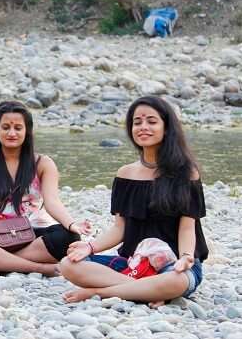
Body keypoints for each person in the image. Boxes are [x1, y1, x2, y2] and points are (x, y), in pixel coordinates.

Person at [60, 96, 208, 307]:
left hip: (174, 264)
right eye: (137, 122)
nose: (143, 127)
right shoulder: (125, 174)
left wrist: (185, 257)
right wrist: (90, 247)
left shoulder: (187, 173)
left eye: (151, 121)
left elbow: (187, 229)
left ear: (166, 128)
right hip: (133, 263)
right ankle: (147, 291)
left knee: (175, 280)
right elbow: (119, 229)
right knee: (68, 265)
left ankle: (99, 292)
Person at [0, 100, 91, 276]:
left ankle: (0, 262)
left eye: (18, 128)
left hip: (31, 233)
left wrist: (72, 224)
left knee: (69, 237)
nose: (11, 133)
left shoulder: (43, 163)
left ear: (27, 131)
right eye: (5, 127)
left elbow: (53, 202)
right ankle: (39, 267)